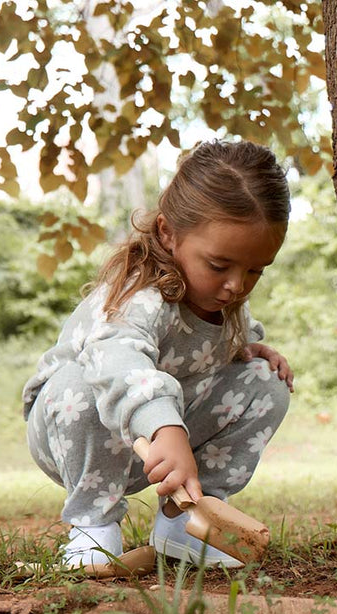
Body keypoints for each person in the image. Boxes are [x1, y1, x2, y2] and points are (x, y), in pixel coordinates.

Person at [23, 140, 294, 569]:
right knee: (82, 382)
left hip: (162, 454)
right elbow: (118, 358)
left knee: (267, 383)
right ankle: (93, 528)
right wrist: (164, 426)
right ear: (168, 233)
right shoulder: (140, 293)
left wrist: (244, 347)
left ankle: (184, 519)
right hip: (76, 436)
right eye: (219, 265)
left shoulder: (222, 299)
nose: (236, 285)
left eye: (255, 270)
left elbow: (201, 349)